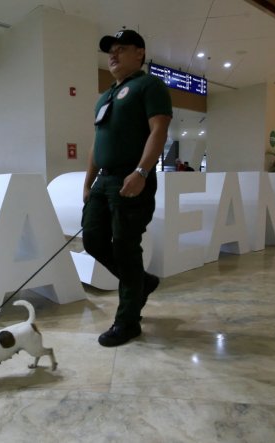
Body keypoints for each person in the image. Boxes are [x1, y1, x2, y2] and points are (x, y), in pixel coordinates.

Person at [82, 29, 172, 347]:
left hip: (131, 178)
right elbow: (97, 143)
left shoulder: (149, 86)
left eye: (122, 49)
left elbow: (158, 131)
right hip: (103, 180)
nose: (113, 55)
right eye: (111, 51)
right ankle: (141, 283)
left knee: (124, 245)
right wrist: (88, 180)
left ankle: (128, 321)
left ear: (140, 53)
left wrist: (141, 171)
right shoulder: (104, 97)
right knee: (92, 239)